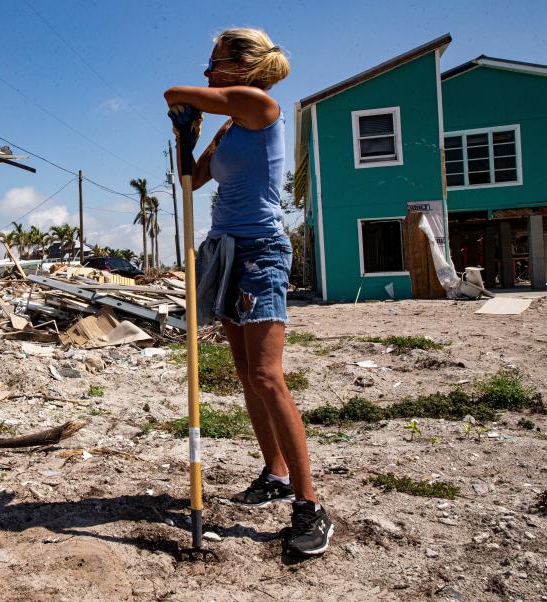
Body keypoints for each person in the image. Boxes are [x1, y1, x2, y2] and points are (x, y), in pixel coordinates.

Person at [164, 27, 333, 557]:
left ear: (241, 65)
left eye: (213, 60)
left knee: (267, 374)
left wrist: (185, 107)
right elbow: (190, 181)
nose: (205, 70)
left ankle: (310, 505)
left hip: (261, 252)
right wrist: (184, 139)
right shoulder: (231, 127)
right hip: (227, 250)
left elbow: (176, 93)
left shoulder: (259, 105)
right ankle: (275, 474)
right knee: (244, 373)